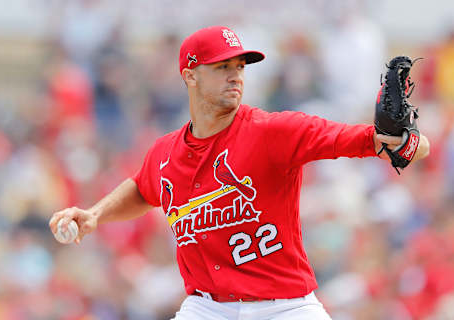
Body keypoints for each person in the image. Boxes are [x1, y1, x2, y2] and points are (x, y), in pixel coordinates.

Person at [49, 26, 430, 320]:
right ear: (190, 75)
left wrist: (401, 141)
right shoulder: (165, 153)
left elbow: (374, 140)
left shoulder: (272, 131)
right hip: (207, 308)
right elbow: (142, 188)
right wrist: (95, 214)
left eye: (240, 67)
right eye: (223, 67)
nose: (236, 76)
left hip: (285, 306)